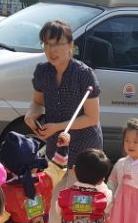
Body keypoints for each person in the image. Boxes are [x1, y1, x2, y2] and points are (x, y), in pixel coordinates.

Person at [24, 20, 103, 175]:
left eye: (57, 44)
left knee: (79, 197)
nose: (51, 50)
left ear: (70, 45)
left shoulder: (84, 74)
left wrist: (57, 126)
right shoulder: (42, 71)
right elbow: (37, 102)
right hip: (55, 147)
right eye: (46, 44)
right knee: (54, 194)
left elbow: (92, 118)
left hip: (85, 148)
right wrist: (30, 115)